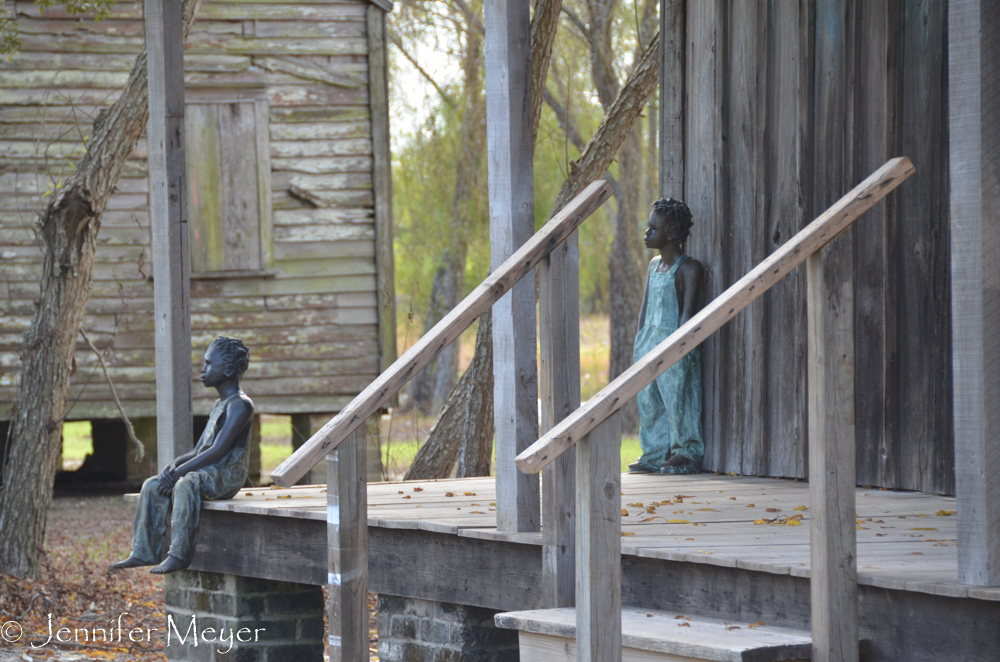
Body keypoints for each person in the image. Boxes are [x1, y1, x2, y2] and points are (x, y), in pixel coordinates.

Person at [112, 336, 253, 574]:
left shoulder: (240, 405)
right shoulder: (220, 404)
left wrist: (180, 472)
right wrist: (174, 465)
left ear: (228, 369)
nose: (202, 369)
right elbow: (200, 450)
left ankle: (179, 555)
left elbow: (218, 450)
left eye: (208, 364)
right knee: (152, 484)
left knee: (186, 484)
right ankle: (143, 551)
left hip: (226, 475)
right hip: (209, 470)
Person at [628, 198, 705, 475]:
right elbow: (645, 307)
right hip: (649, 341)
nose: (646, 233)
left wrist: (682, 349)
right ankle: (654, 452)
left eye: (652, 228)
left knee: (678, 398)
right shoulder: (653, 265)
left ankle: (686, 450)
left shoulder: (689, 268)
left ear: (671, 232)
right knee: (648, 401)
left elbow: (688, 313)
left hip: (675, 343)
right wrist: (639, 341)